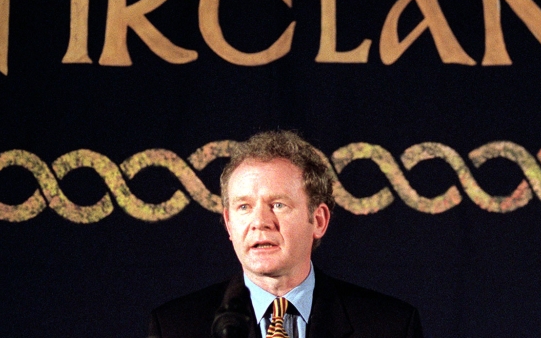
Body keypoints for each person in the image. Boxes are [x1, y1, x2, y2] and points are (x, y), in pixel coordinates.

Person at [147, 130, 425, 338]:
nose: (260, 221)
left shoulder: (390, 326)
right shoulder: (175, 327)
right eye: (244, 206)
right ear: (229, 224)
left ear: (318, 220)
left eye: (278, 205)